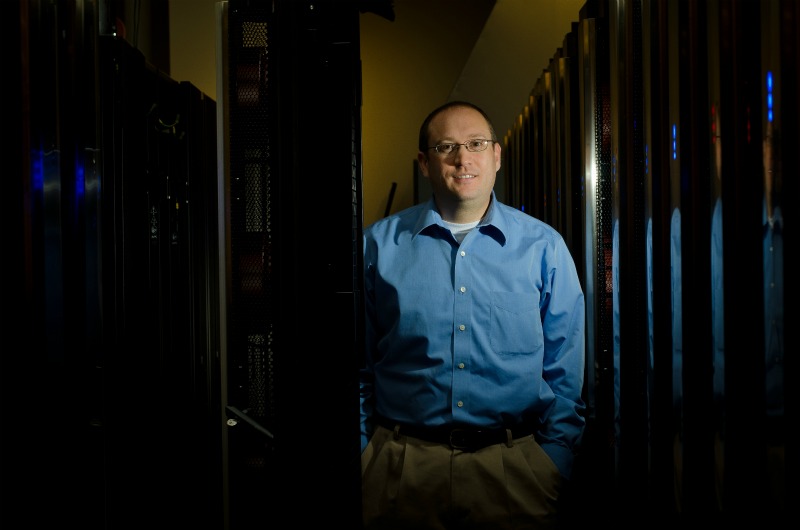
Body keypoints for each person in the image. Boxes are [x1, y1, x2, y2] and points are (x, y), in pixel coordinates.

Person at [359, 101, 586, 529]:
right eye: (447, 147)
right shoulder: (377, 247)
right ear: (425, 163)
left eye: (476, 144)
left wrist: (552, 463)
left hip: (516, 472)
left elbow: (566, 374)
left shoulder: (544, 248)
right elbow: (357, 364)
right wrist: (366, 455)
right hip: (400, 469)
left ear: (496, 156)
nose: (463, 158)